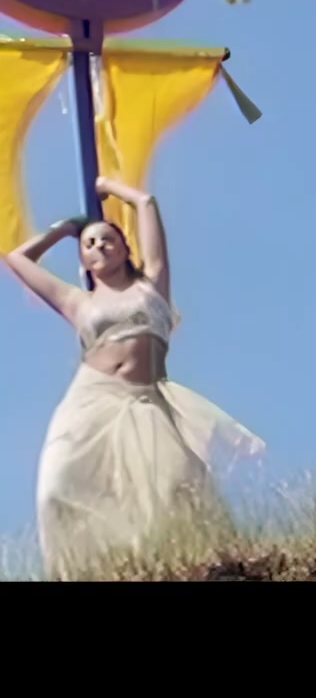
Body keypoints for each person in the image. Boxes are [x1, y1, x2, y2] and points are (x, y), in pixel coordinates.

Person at [4, 176, 263, 579]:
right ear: (84, 262)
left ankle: (205, 568)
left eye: (108, 239)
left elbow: (146, 203)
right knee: (57, 488)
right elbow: (18, 259)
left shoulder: (152, 286)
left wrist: (109, 186)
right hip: (90, 401)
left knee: (179, 486)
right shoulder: (78, 302)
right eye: (90, 244)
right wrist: (65, 229)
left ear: (126, 249)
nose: (99, 246)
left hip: (145, 400)